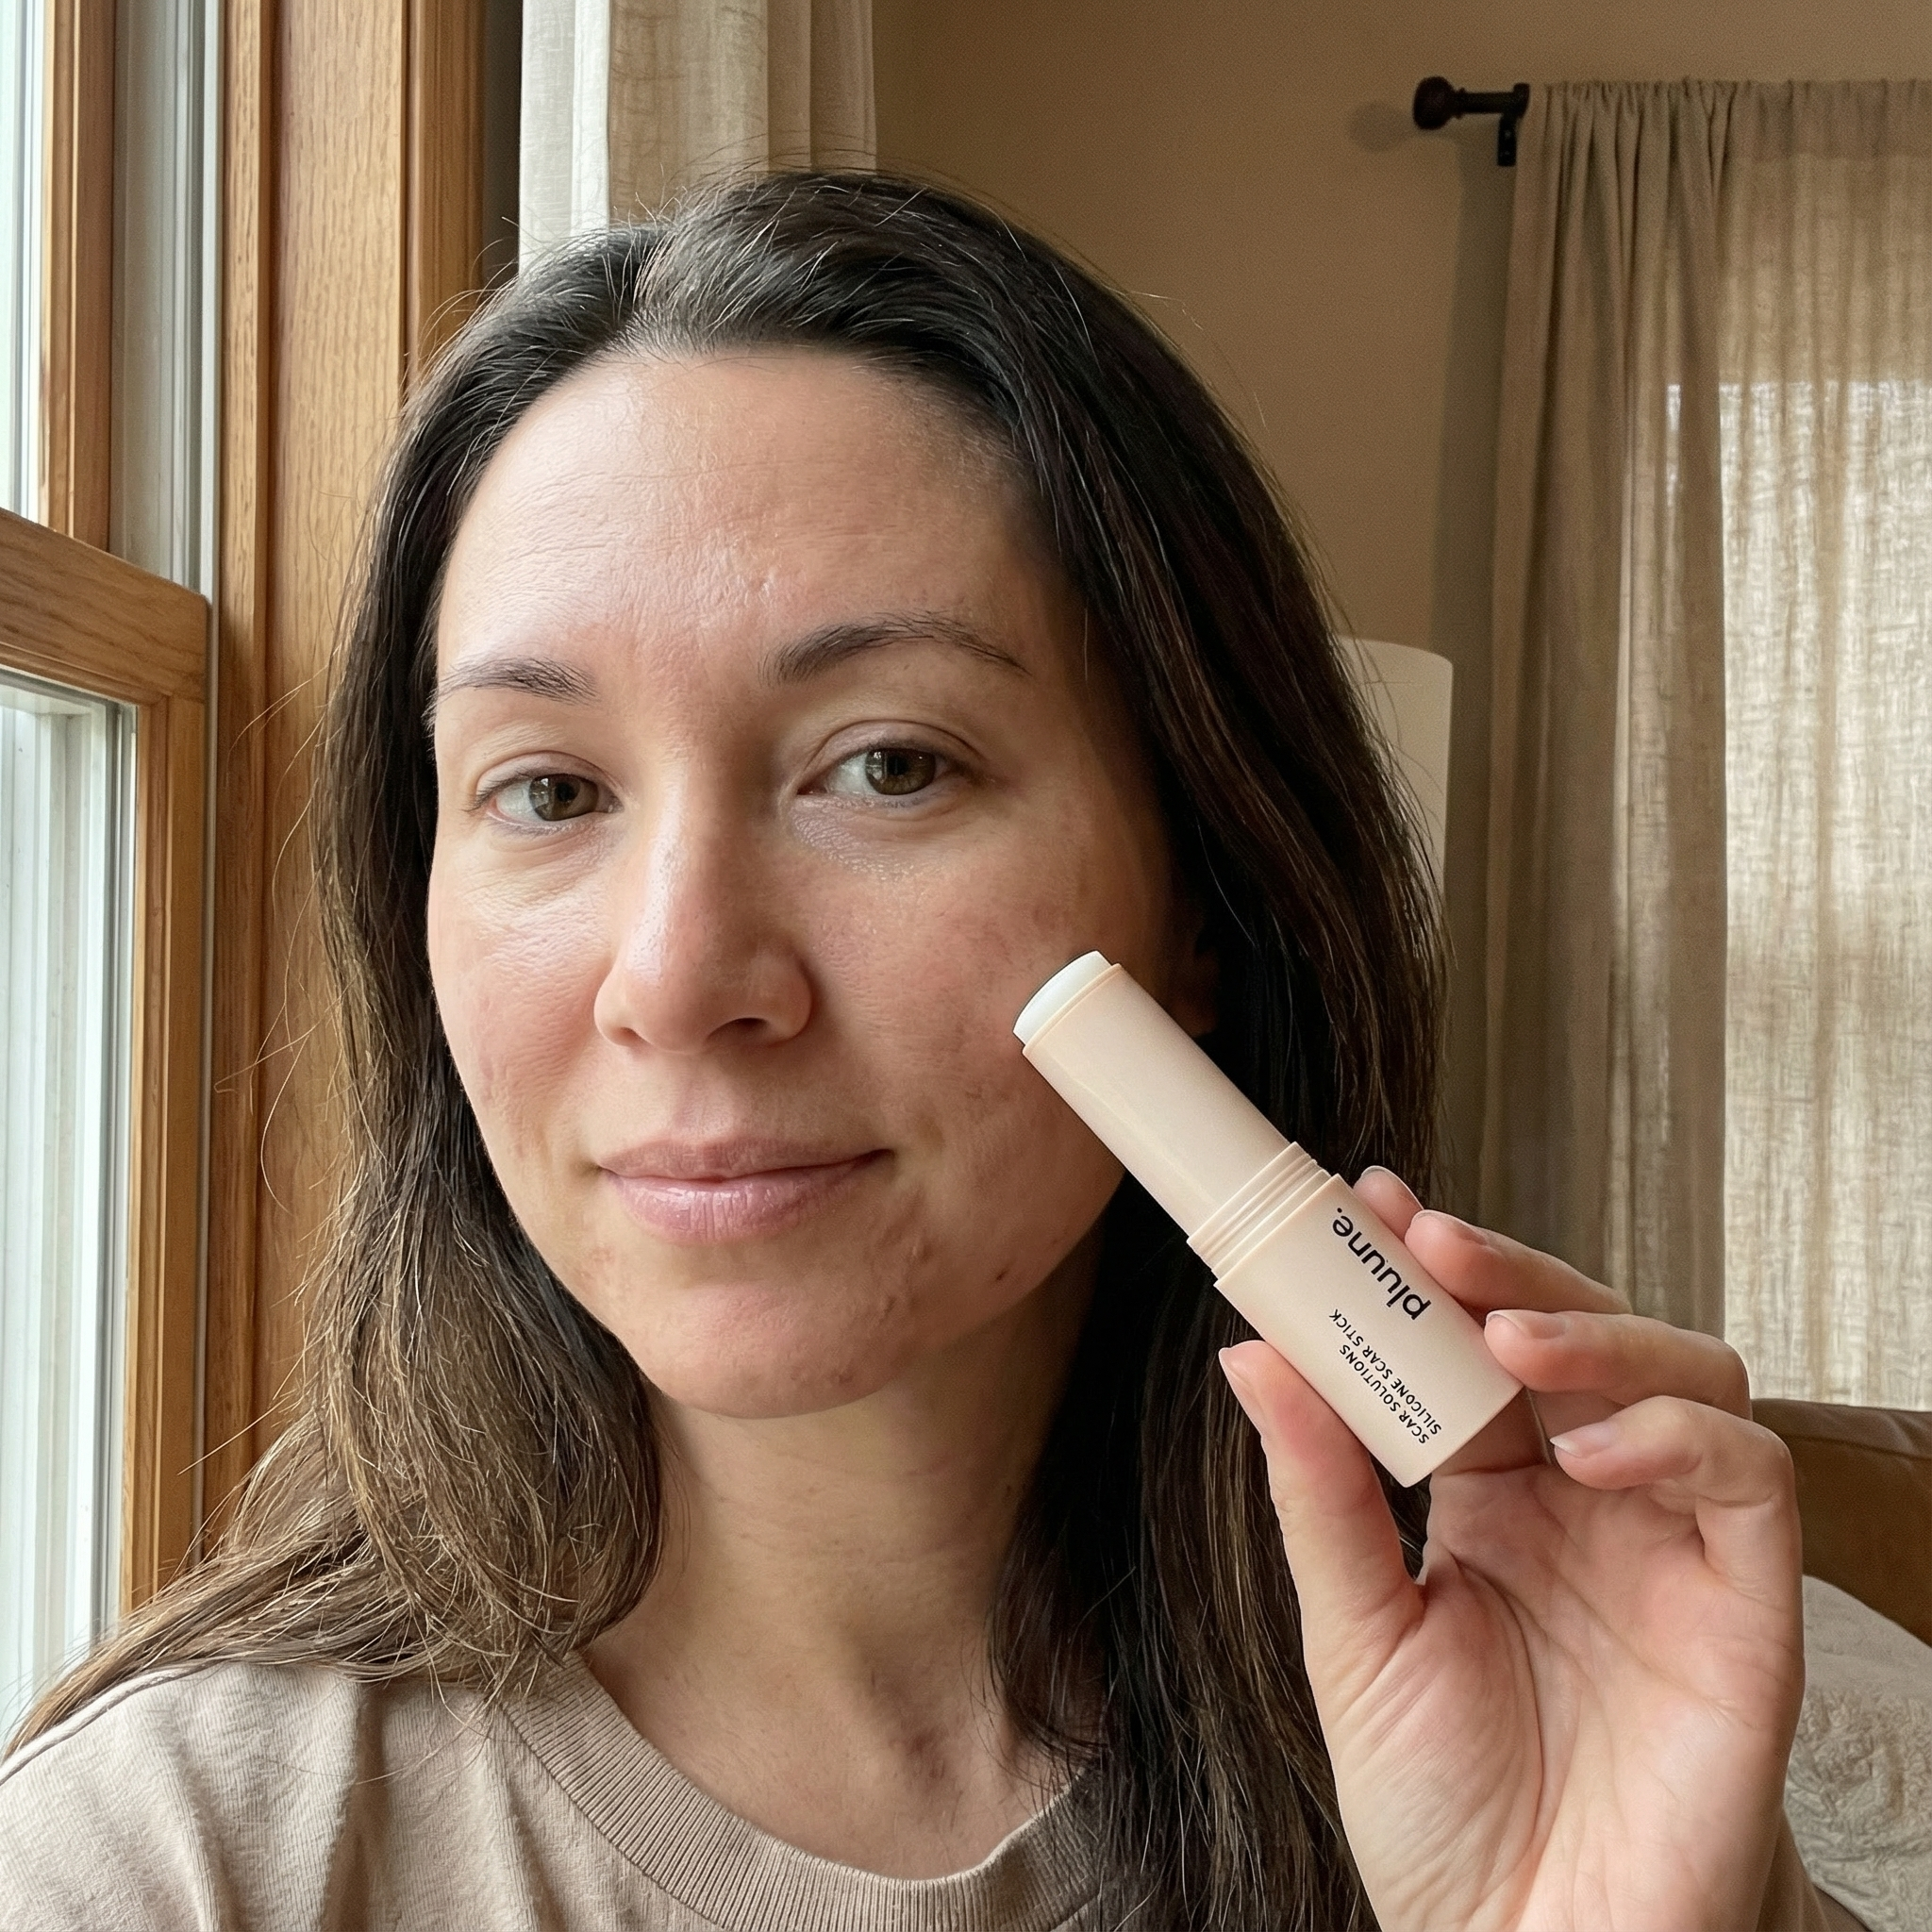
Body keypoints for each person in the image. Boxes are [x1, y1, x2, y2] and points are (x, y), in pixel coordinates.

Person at [0, 173, 1835, 1931]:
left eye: (887, 763)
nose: (678, 973)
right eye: (545, 789)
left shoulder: (1586, 1730)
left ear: (1206, 892)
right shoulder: (156, 1866)